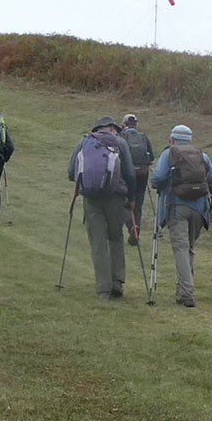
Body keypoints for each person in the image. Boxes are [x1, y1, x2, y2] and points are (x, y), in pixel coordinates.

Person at [150, 124, 212, 308]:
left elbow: (157, 179)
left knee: (181, 250)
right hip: (199, 208)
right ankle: (183, 291)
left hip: (177, 206)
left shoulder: (169, 154)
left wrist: (158, 182)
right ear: (190, 139)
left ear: (172, 138)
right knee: (189, 249)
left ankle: (188, 294)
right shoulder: (202, 156)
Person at [67, 116, 136, 300]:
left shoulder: (85, 141)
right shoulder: (120, 142)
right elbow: (129, 173)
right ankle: (117, 282)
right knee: (116, 236)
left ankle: (103, 289)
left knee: (97, 241)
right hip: (115, 196)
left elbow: (70, 170)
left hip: (90, 197)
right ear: (113, 127)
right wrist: (131, 198)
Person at [120, 113, 155, 246]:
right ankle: (136, 233)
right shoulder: (143, 137)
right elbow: (151, 157)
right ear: (136, 124)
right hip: (142, 174)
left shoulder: (121, 137)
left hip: (126, 174)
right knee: (138, 204)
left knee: (124, 201)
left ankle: (131, 226)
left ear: (124, 125)